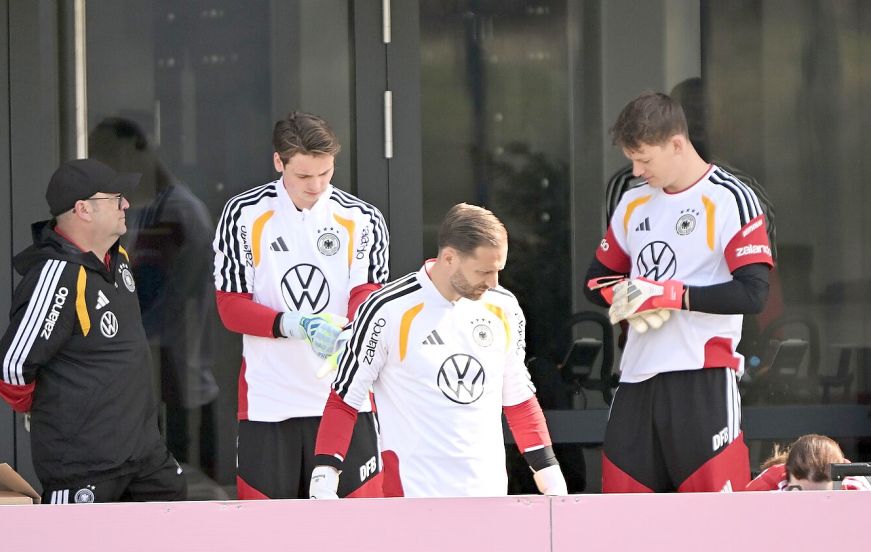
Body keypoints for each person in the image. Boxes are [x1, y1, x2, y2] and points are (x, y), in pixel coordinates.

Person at [584, 92, 773, 493]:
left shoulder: (730, 197)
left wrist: (671, 295)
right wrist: (627, 296)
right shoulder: (632, 202)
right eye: (630, 159)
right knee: (623, 525)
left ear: (676, 143)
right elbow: (595, 280)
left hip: (702, 378)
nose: (635, 171)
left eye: (644, 159)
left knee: (714, 526)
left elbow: (754, 294)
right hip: (636, 378)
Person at [310, 203, 567, 498]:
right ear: (449, 258)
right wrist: (324, 477)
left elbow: (519, 397)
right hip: (413, 497)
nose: (493, 282)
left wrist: (550, 475)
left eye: (498, 270)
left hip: (488, 495)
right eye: (483, 271)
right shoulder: (387, 309)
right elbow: (345, 399)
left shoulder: (504, 306)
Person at [0, 158, 187, 504]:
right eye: (115, 198)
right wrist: (59, 409)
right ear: (83, 209)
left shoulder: (117, 257)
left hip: (144, 455)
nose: (126, 204)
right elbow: (11, 367)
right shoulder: (59, 275)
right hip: (85, 467)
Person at [213, 112, 389, 499]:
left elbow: (368, 293)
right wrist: (294, 324)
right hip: (269, 399)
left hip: (346, 397)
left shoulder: (362, 218)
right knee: (267, 533)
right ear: (279, 163)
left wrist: (352, 328)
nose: (317, 185)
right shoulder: (243, 214)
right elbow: (230, 306)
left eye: (325, 173)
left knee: (361, 532)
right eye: (304, 176)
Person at [90, 117, 220, 478]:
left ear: (137, 147)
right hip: (162, 375)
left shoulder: (175, 213)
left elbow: (155, 301)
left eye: (107, 153)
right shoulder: (147, 209)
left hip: (174, 379)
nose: (105, 165)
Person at [746, 434, 871, 491]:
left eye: (824, 495)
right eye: (801, 493)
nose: (814, 504)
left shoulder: (856, 489)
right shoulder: (771, 484)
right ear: (787, 476)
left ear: (841, 480)